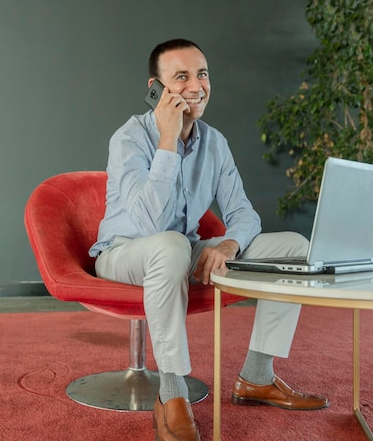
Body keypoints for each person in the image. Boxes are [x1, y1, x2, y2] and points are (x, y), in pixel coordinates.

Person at [89, 39, 328, 441]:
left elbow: (244, 213)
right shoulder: (128, 139)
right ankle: (172, 393)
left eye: (202, 74)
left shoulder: (214, 142)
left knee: (295, 247)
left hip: (181, 249)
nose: (196, 85)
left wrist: (227, 245)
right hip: (123, 252)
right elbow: (149, 221)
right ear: (157, 87)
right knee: (170, 244)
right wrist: (168, 139)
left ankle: (256, 376)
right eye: (181, 76)